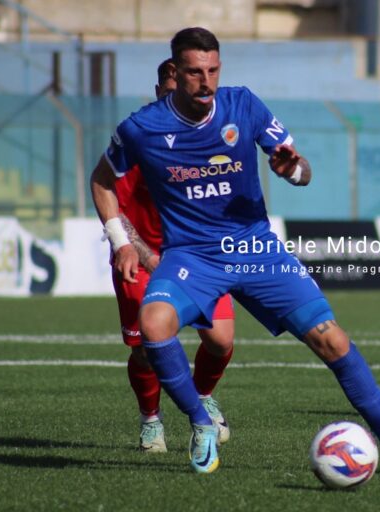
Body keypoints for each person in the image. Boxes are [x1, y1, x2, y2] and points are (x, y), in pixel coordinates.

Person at [91, 27, 380, 475]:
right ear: (175, 72)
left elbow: (302, 168)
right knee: (153, 326)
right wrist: (122, 241)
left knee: (332, 339)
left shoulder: (244, 105)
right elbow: (101, 181)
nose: (207, 82)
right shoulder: (142, 128)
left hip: (255, 248)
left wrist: (293, 171)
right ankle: (201, 422)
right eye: (195, 72)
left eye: (214, 70)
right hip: (192, 254)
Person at [108, 58, 234, 453]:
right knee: (147, 350)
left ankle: (200, 396)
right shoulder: (141, 137)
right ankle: (151, 421)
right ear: (161, 91)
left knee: (221, 340)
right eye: (169, 91)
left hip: (199, 257)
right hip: (145, 260)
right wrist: (141, 254)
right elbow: (113, 203)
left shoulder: (206, 134)